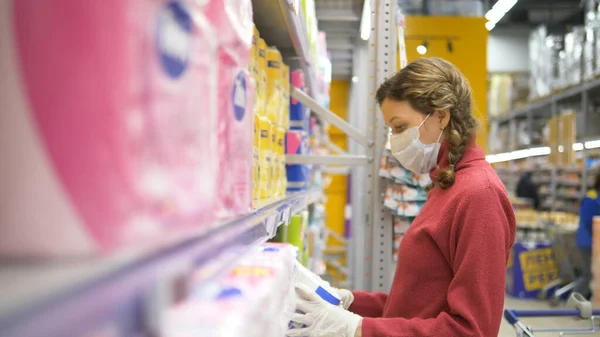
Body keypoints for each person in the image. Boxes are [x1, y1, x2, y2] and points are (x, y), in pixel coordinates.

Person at [288, 57, 516, 337]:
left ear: (441, 116)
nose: (394, 140)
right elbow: (415, 306)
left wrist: (358, 328)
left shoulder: (479, 196)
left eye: (399, 127)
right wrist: (348, 301)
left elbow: (472, 330)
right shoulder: (446, 186)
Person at [574, 173, 600, 299]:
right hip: (588, 243)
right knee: (589, 274)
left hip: (591, 242)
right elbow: (593, 222)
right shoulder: (592, 199)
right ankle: (572, 302)